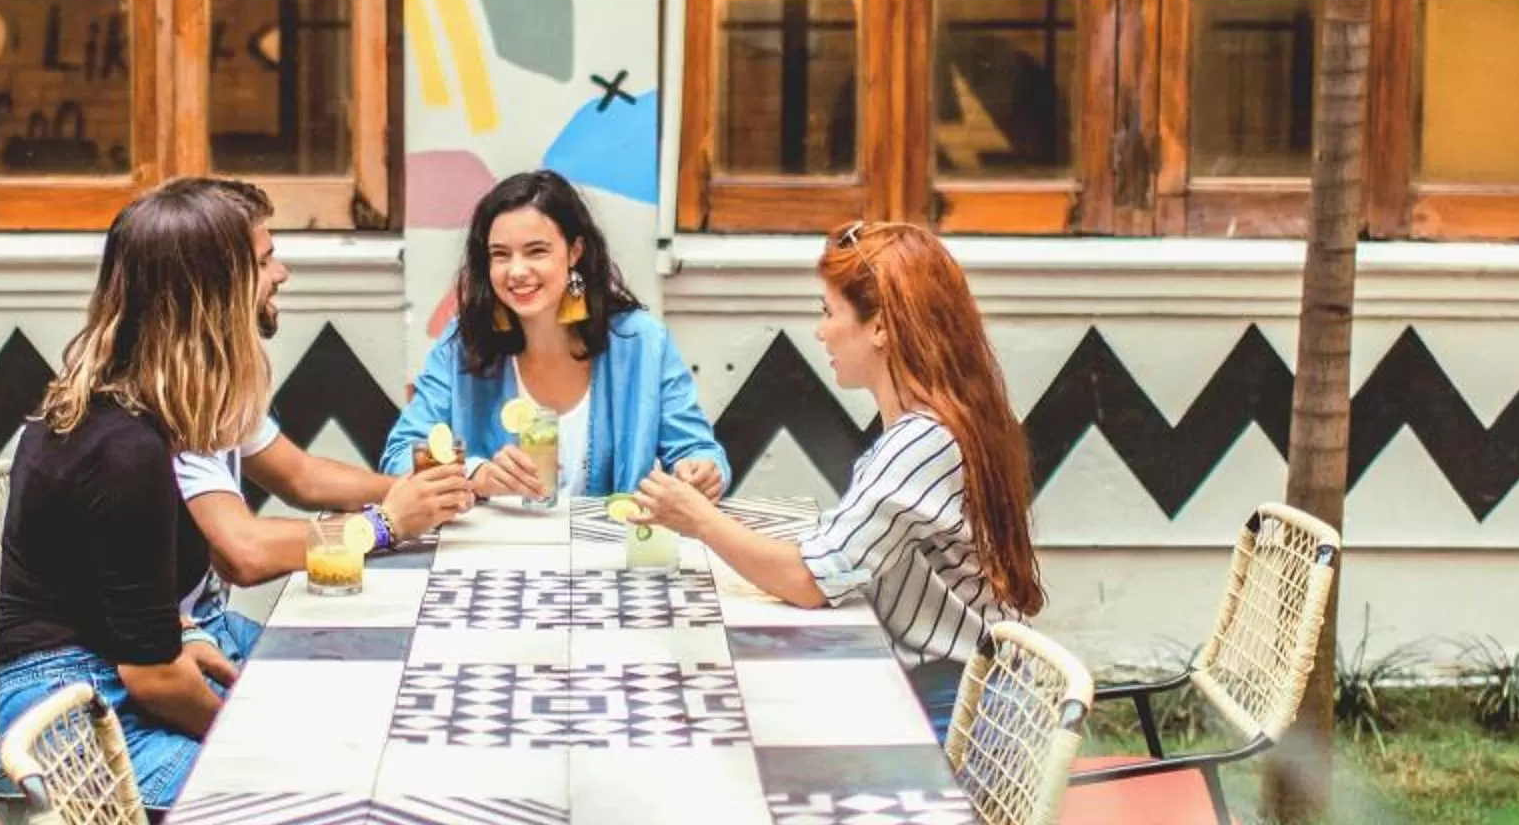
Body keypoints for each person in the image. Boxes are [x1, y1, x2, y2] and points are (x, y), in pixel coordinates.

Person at [631, 219, 1042, 743]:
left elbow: (808, 581)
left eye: (829, 312)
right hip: (957, 697)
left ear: (881, 327)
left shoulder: (920, 442)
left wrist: (700, 520)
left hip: (961, 721)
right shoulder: (936, 424)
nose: (821, 330)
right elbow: (837, 557)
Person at [0, 182, 273, 810]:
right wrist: (250, 743)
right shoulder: (126, 447)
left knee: (316, 696)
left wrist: (184, 631)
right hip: (67, 723)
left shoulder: (128, 408)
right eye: (260, 264)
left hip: (94, 683)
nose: (278, 275)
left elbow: (122, 604)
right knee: (288, 787)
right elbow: (153, 678)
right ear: (213, 298)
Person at [171, 178, 473, 640]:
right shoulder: (170, 398)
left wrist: (418, 494)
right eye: (265, 260)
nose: (282, 273)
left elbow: (300, 477)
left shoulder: (210, 378)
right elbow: (242, 553)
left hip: (202, 631)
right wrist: (383, 524)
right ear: (219, 284)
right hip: (135, 665)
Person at [382, 169, 729, 502]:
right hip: (493, 553)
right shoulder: (462, 343)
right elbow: (400, 456)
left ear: (575, 251)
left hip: (612, 553)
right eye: (500, 255)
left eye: (536, 251)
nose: (516, 271)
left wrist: (701, 471)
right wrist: (476, 476)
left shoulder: (641, 343)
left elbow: (696, 450)